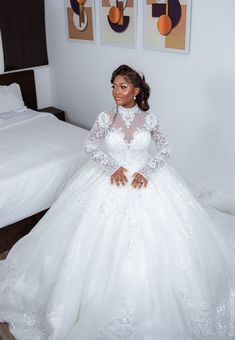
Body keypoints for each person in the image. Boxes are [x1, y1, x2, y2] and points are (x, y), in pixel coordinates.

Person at [0, 64, 234, 340]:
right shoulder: (105, 118)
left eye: (122, 87)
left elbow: (165, 149)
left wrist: (146, 171)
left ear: (135, 91)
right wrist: (111, 166)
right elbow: (89, 146)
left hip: (144, 178)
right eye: (113, 86)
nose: (115, 92)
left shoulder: (149, 119)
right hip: (111, 178)